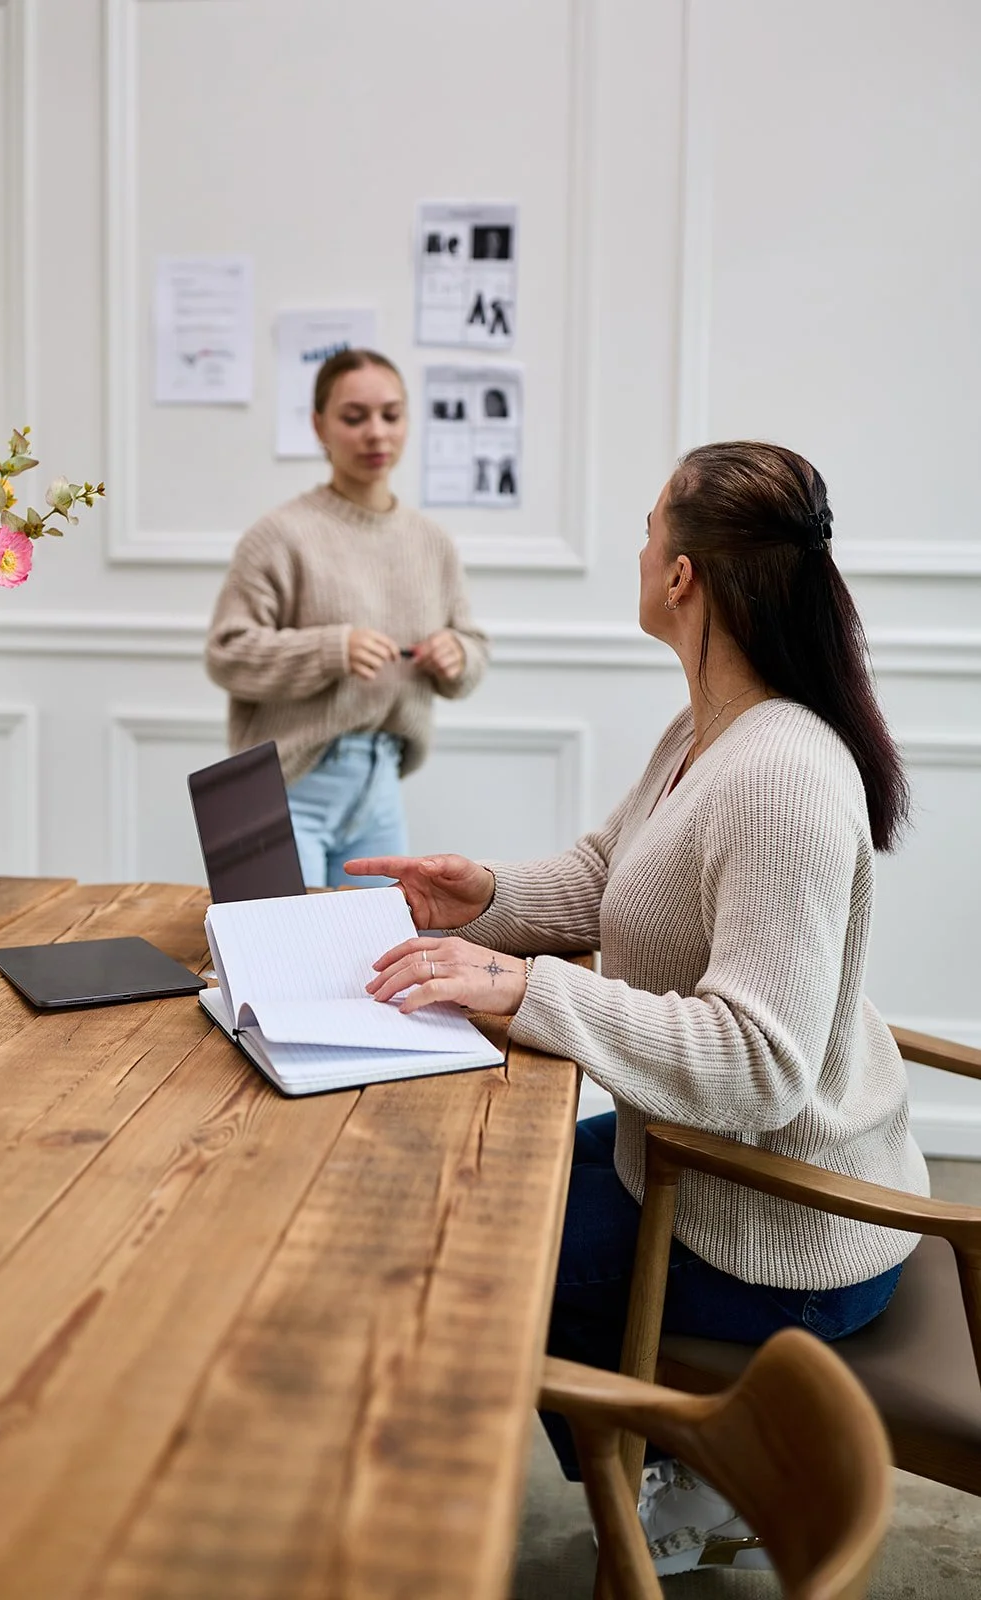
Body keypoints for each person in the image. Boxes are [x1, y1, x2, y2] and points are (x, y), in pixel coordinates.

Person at [346, 440, 928, 1572]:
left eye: (649, 521)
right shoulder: (707, 727)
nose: (638, 540)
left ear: (680, 574)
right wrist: (488, 899)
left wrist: (528, 988)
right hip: (693, 1160)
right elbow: (611, 875)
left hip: (785, 1228)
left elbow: (758, 1060)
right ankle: (678, 1470)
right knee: (466, 1196)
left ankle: (682, 1479)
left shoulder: (782, 775)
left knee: (470, 1270)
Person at [205, 349, 488, 887]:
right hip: (281, 787)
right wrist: (329, 650)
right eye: (354, 417)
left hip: (380, 786)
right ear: (319, 426)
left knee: (373, 963)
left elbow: (474, 647)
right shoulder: (280, 535)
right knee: (278, 962)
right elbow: (226, 653)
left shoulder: (432, 543)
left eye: (391, 414)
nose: (376, 433)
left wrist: (459, 654)